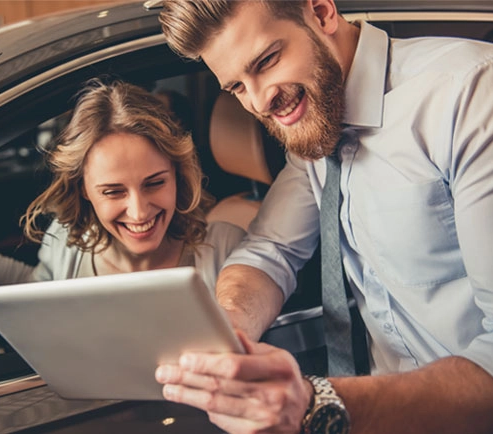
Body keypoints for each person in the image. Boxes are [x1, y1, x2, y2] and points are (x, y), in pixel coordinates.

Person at [155, 1, 493, 434]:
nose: (260, 101)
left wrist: (318, 402)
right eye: (237, 87)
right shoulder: (315, 123)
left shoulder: (467, 93)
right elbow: (269, 252)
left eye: (266, 61)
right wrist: (230, 333)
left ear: (321, 12)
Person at [0, 78, 245, 292]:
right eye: (113, 191)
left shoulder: (225, 249)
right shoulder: (69, 241)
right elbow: (37, 290)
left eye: (154, 183)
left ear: (178, 175)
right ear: (83, 190)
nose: (139, 211)